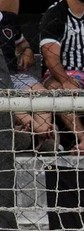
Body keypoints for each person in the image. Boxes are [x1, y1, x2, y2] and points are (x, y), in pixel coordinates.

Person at [39, 0, 84, 154]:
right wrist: (65, 80)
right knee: (57, 89)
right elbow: (50, 56)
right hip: (64, 72)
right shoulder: (56, 13)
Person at [0, 10, 57, 152]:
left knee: (40, 91)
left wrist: (27, 50)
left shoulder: (9, 19)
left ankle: (42, 136)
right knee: (9, 97)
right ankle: (42, 131)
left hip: (12, 76)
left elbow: (22, 43)